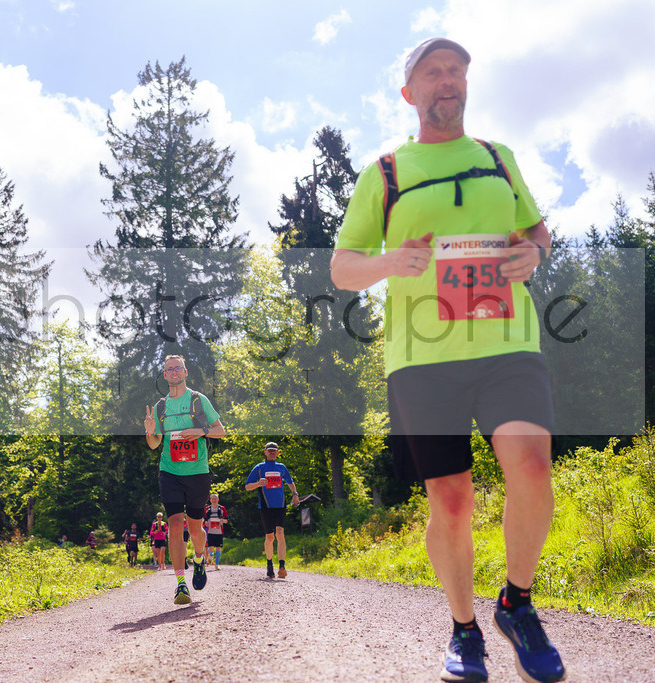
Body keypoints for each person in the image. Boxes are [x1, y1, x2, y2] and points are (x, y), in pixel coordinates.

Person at [330, 37, 565, 683]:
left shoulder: (497, 157)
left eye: (456, 70)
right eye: (433, 72)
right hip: (422, 356)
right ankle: (464, 629)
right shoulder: (386, 173)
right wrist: (388, 262)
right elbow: (343, 265)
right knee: (452, 499)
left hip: (506, 339)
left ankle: (516, 602)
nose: (447, 81)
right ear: (410, 93)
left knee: (531, 462)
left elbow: (534, 229)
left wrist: (534, 253)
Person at [144, 355, 226, 604]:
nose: (174, 372)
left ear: (185, 372)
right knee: (176, 525)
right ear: (165, 375)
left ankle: (199, 558)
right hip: (169, 472)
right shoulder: (160, 407)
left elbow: (220, 431)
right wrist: (150, 431)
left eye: (178, 368)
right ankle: (181, 584)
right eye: (169, 369)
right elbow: (153, 444)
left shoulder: (198, 400)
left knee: (195, 528)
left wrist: (199, 431)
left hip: (197, 473)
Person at [244, 443, 299, 579]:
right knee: (270, 537)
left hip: (280, 505)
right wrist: (258, 483)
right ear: (265, 452)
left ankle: (282, 566)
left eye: (274, 451)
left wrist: (295, 494)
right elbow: (247, 486)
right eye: (270, 451)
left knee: (280, 533)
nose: (272, 453)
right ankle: (269, 564)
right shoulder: (259, 468)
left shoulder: (282, 467)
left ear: (278, 453)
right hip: (266, 507)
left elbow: (289, 481)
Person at [203, 493, 229, 569]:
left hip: (219, 531)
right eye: (212, 499)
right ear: (210, 500)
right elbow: (204, 519)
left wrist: (223, 521)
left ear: (218, 500)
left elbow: (227, 519)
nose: (214, 500)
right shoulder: (207, 509)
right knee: (211, 548)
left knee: (218, 548)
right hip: (210, 531)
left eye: (215, 498)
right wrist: (206, 522)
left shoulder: (222, 508)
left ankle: (216, 564)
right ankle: (210, 555)